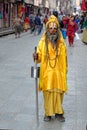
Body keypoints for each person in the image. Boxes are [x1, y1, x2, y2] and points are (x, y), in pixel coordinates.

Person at [33, 15, 68, 122]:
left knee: (58, 93)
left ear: (57, 30)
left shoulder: (61, 43)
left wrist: (65, 71)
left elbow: (65, 58)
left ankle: (58, 112)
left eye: (54, 28)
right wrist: (36, 56)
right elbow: (38, 56)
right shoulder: (42, 42)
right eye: (50, 28)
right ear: (47, 29)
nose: (52, 30)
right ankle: (48, 113)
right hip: (47, 72)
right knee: (47, 93)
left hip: (58, 72)